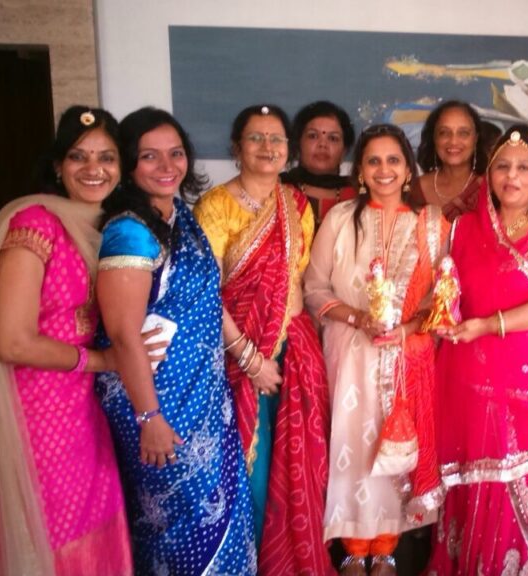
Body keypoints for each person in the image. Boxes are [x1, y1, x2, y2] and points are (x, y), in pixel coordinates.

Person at [0, 106, 134, 575]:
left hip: (84, 411)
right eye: (78, 156)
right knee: (51, 535)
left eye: (106, 157)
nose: (94, 169)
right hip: (36, 416)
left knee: (94, 521)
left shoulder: (108, 226)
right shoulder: (35, 223)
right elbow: (12, 341)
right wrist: (102, 360)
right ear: (58, 166)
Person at [96, 107, 256, 574]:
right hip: (156, 403)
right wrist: (149, 417)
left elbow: (205, 299)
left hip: (203, 399)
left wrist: (246, 355)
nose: (167, 166)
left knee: (221, 515)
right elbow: (123, 334)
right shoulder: (129, 231)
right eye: (150, 156)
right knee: (175, 524)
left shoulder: (179, 216)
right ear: (129, 163)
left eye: (176, 153)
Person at [427, 125, 528, 575]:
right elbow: (447, 294)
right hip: (471, 383)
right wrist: (440, 317)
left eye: (523, 168)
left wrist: (487, 325)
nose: (512, 176)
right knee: (476, 490)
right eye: (502, 166)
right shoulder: (464, 229)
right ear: (489, 175)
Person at [304, 124, 448, 576]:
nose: (384, 170)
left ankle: (386, 546)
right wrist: (356, 317)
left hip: (405, 356)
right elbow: (314, 288)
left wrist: (406, 330)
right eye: (373, 161)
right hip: (349, 352)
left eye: (393, 160)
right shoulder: (340, 218)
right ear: (361, 171)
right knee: (351, 444)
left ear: (407, 169)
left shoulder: (431, 225)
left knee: (394, 447)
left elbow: (442, 299)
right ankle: (352, 546)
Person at [194, 104, 333, 575]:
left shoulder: (296, 205)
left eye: (276, 139)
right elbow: (205, 294)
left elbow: (298, 282)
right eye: (256, 138)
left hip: (295, 351)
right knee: (250, 473)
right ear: (237, 147)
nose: (267, 147)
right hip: (236, 354)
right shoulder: (215, 207)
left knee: (297, 468)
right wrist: (250, 359)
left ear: (288, 149)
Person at [281, 100, 356, 228]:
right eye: (313, 136)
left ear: (344, 150)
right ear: (298, 144)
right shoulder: (278, 190)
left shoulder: (357, 196)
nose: (323, 144)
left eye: (333, 138)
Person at [411, 100, 488, 220]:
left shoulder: (489, 189)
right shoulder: (415, 189)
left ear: (475, 138)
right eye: (444, 133)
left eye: (463, 133)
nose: (453, 141)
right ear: (434, 138)